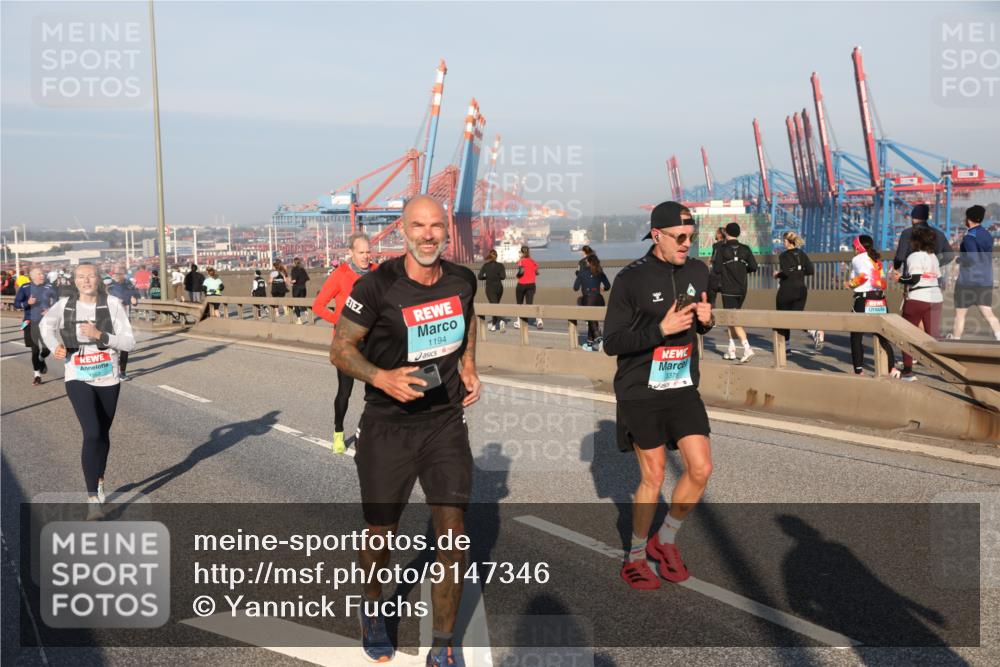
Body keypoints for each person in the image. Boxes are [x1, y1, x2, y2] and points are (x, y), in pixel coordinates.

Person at [330, 195, 480, 666]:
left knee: (453, 533)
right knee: (381, 532)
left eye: (436, 226)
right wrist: (382, 377)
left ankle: (443, 644)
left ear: (446, 232)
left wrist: (470, 365)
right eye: (418, 226)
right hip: (386, 428)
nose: (428, 234)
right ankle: (373, 611)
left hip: (444, 423)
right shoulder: (377, 286)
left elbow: (468, 319)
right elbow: (340, 349)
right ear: (403, 230)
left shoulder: (462, 280)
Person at [603, 201, 715, 591]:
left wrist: (707, 321)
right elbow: (612, 341)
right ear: (657, 236)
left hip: (682, 385)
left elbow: (701, 317)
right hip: (640, 388)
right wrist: (660, 329)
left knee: (700, 469)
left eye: (691, 237)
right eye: (679, 237)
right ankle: (634, 557)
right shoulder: (630, 279)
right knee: (652, 476)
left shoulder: (700, 270)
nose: (687, 244)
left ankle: (664, 539)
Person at [39, 263, 135, 519]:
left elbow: (129, 342)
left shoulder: (113, 304)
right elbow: (45, 327)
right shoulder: (66, 305)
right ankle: (92, 497)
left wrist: (100, 335)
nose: (86, 280)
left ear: (98, 279)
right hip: (77, 375)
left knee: (102, 434)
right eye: (81, 277)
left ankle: (99, 477)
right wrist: (54, 346)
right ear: (75, 281)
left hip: (108, 377)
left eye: (90, 276)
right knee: (91, 431)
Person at [312, 233, 378, 453]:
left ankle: (369, 435)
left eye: (368, 251)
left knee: (378, 391)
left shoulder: (378, 272)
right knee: (345, 392)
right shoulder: (340, 275)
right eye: (361, 252)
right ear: (350, 252)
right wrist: (340, 321)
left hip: (372, 342)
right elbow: (318, 305)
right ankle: (338, 433)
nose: (366, 256)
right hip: (347, 344)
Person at [892, 226, 942, 381]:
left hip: (918, 297)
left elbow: (914, 279)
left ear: (916, 241)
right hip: (935, 297)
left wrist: (899, 278)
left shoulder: (914, 257)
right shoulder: (933, 257)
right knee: (933, 338)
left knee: (906, 335)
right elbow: (936, 277)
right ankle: (949, 369)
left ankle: (908, 372)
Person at [846, 235, 898, 377]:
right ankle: (891, 368)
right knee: (882, 336)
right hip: (880, 300)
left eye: (854, 246)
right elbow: (881, 280)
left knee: (856, 336)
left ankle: (859, 371)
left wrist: (849, 284)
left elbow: (863, 277)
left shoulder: (858, 259)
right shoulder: (875, 259)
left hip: (864, 300)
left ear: (858, 247)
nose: (853, 249)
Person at [950, 205, 1000, 341]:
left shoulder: (969, 237)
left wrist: (959, 259)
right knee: (988, 312)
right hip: (985, 280)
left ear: (969, 219)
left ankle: (955, 341)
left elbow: (972, 258)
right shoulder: (987, 235)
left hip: (967, 281)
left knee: (960, 315)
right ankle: (999, 336)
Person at [712, 222, 758, 362]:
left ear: (726, 233)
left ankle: (747, 348)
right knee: (731, 318)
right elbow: (754, 267)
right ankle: (731, 350)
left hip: (728, 288)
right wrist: (742, 269)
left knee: (732, 318)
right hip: (742, 288)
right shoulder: (746, 248)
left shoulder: (722, 248)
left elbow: (717, 269)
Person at [774, 231, 823, 350]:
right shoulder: (802, 254)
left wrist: (777, 274)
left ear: (789, 242)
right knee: (797, 317)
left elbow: (785, 272)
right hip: (801, 290)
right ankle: (813, 331)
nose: (783, 243)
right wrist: (799, 272)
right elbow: (810, 271)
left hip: (787, 289)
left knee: (782, 318)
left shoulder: (783, 255)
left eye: (784, 240)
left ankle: (786, 347)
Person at [14, 267, 58, 385]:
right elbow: (16, 304)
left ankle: (42, 358)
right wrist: (27, 303)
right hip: (30, 321)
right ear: (32, 276)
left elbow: (57, 301)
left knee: (47, 348)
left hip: (46, 322)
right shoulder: (25, 288)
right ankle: (37, 375)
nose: (42, 275)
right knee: (35, 349)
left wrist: (51, 310)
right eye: (39, 274)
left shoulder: (49, 287)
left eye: (43, 273)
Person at [893, 203, 954, 274]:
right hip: (933, 277)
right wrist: (936, 264)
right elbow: (950, 255)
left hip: (912, 277)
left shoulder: (907, 233)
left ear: (913, 218)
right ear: (926, 218)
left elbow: (900, 257)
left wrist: (896, 266)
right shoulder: (939, 234)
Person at [573, 254, 611, 351]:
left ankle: (600, 340)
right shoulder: (600, 272)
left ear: (588, 262)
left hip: (588, 300)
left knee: (591, 319)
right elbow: (608, 286)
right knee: (592, 321)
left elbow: (575, 288)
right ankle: (589, 345)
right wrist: (602, 288)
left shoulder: (582, 273)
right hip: (599, 300)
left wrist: (579, 277)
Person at [107, 268, 139, 380]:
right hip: (111, 322)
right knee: (112, 347)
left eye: (120, 274)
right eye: (116, 274)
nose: (118, 276)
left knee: (125, 348)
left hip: (125, 322)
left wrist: (134, 300)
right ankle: (111, 370)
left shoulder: (128, 286)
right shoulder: (109, 286)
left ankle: (122, 372)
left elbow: (134, 300)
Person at [477, 248, 506, 332]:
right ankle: (498, 321)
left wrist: (487, 277)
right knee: (496, 305)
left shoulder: (485, 266)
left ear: (489, 256)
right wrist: (496, 276)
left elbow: (479, 277)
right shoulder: (500, 266)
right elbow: (503, 277)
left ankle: (494, 324)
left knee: (493, 306)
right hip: (499, 288)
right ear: (496, 256)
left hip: (490, 288)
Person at [514, 245, 542, 330]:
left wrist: (517, 276)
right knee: (530, 304)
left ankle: (519, 322)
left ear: (522, 252)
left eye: (520, 252)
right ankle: (538, 320)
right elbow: (537, 272)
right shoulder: (533, 261)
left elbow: (521, 271)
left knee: (520, 304)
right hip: (531, 285)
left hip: (522, 284)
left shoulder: (521, 261)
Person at [706, 227, 726, 306]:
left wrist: (710, 260)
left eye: (717, 233)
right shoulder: (726, 245)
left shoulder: (716, 245)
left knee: (711, 298)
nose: (715, 234)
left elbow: (714, 258)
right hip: (724, 276)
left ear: (720, 235)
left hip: (715, 275)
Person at [290, 257, 310, 324]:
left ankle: (299, 319)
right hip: (303, 288)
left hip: (296, 288)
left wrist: (290, 282)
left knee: (296, 303)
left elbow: (294, 280)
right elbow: (307, 279)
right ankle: (306, 312)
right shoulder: (303, 269)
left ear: (294, 262)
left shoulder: (294, 269)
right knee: (303, 301)